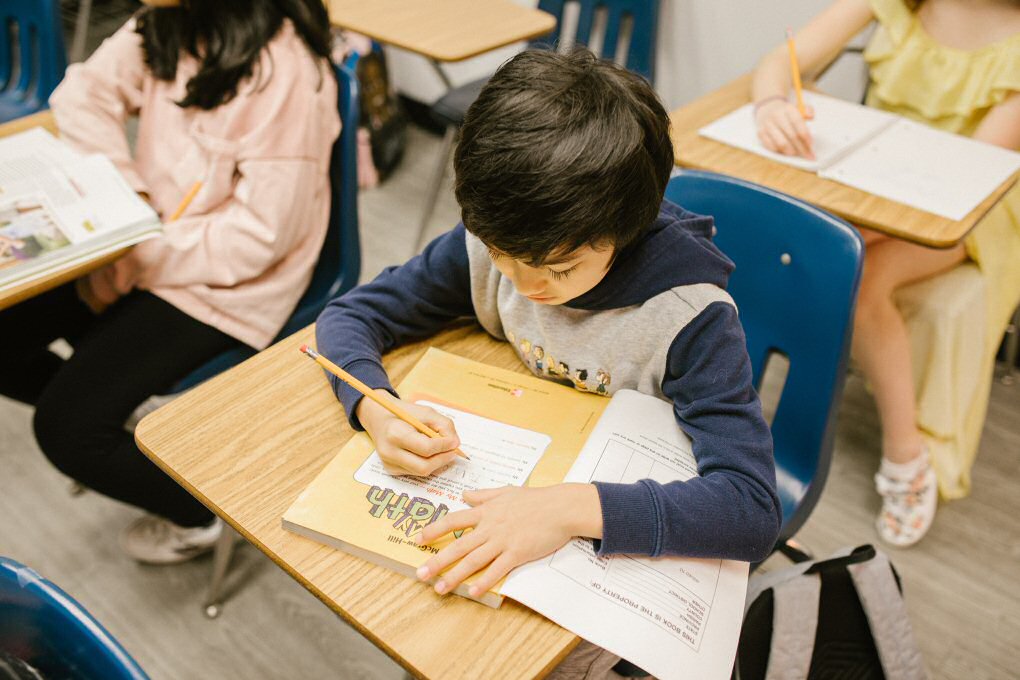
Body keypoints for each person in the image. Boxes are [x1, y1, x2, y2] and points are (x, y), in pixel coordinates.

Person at [316, 49, 780, 670]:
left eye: (559, 269)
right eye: (504, 257)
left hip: (610, 526)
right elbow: (350, 316)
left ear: (626, 228)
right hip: (525, 471)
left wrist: (567, 508)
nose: (525, 285)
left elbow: (750, 509)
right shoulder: (495, 240)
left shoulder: (690, 316)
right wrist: (378, 409)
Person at [0, 0, 340, 564]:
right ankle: (124, 420)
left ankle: (198, 513)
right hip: (148, 238)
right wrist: (127, 194)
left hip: (228, 283)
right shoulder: (162, 20)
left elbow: (259, 239)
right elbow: (82, 94)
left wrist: (130, 256)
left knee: (66, 430)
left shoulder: (282, 70)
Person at [752, 0, 1020, 546]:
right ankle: (740, 405)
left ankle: (907, 459)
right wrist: (771, 105)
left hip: (972, 212)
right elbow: (782, 61)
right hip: (870, 182)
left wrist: (850, 225)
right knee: (776, 230)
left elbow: (965, 182)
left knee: (863, 276)